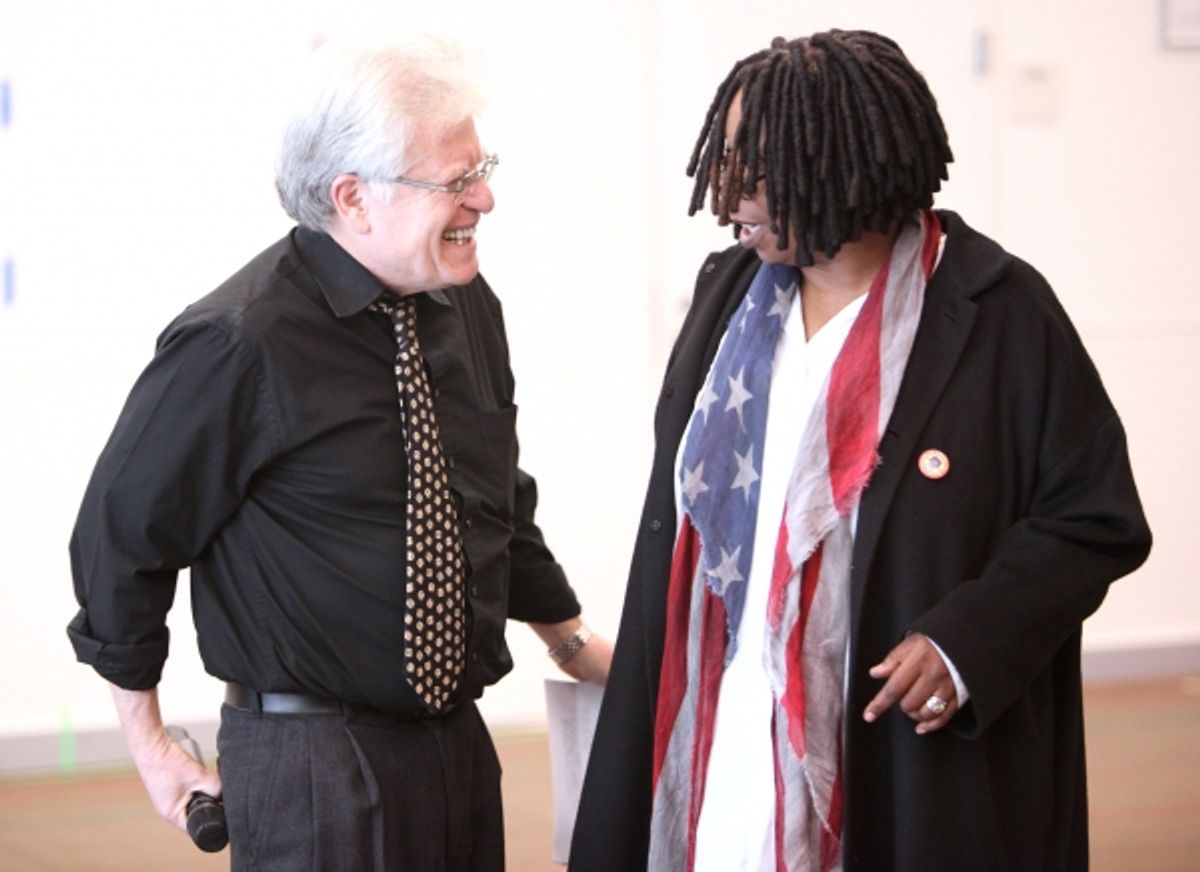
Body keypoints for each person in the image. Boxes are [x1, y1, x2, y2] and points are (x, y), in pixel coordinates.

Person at [570, 29, 1150, 872]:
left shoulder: (1001, 313)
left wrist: (965, 642)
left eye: (754, 164)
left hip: (895, 747)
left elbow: (1095, 519)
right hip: (725, 715)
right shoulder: (726, 293)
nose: (727, 190)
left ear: (841, 164)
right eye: (723, 160)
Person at [67, 35, 610, 872]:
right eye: (456, 180)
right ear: (354, 197)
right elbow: (121, 540)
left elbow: (492, 496)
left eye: (482, 167)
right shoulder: (236, 344)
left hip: (456, 746)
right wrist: (148, 743)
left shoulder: (463, 306)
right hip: (311, 765)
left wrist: (570, 641)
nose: (486, 199)